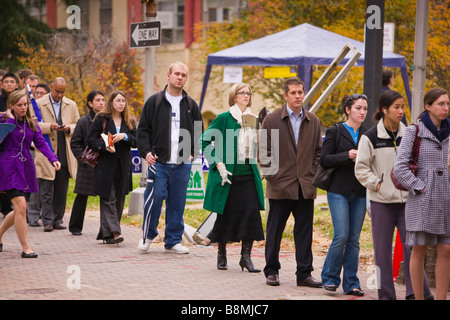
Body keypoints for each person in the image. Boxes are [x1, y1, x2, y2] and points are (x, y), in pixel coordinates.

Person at [355, 90, 433, 300]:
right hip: (381, 202)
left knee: (413, 248)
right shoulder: (370, 137)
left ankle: (418, 293)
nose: (401, 111)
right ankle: (386, 296)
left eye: (402, 107)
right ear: (384, 110)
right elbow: (361, 168)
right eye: (396, 107)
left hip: (408, 201)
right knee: (382, 253)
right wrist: (378, 185)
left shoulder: (410, 133)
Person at [258, 77, 323, 287]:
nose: (297, 96)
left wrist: (311, 174)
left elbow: (318, 152)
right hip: (279, 187)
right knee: (275, 231)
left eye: (300, 92)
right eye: (293, 93)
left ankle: (304, 273)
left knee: (304, 232)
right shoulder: (272, 120)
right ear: (285, 95)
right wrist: (274, 177)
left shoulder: (313, 121)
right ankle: (272, 271)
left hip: (305, 186)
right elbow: (264, 153)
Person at [137, 62, 203, 254]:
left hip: (182, 162)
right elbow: (143, 130)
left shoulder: (190, 104)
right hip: (159, 161)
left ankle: (173, 240)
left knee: (177, 202)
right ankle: (148, 235)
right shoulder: (154, 101)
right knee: (155, 198)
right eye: (176, 73)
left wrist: (193, 153)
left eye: (183, 75)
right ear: (168, 75)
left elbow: (199, 131)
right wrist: (146, 152)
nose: (180, 77)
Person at [200, 83, 265, 272]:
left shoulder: (252, 119)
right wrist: (217, 163)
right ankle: (222, 254)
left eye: (248, 93)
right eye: (242, 93)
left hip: (248, 175)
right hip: (227, 176)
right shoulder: (223, 118)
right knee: (225, 215)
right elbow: (204, 142)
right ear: (234, 96)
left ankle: (246, 258)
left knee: (251, 215)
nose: (246, 95)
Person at [393, 87, 450, 300]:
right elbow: (400, 167)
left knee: (446, 249)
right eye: (441, 104)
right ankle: (418, 297)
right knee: (419, 249)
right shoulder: (414, 131)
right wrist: (420, 186)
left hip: (446, 197)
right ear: (428, 106)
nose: (445, 108)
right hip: (422, 198)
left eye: (447, 104)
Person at [0, 90, 61, 258]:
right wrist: (10, 121)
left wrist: (53, 159)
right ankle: (26, 248)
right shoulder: (3, 120)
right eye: (19, 105)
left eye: (25, 104)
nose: (23, 108)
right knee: (20, 207)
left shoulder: (31, 123)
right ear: (11, 106)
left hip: (26, 167)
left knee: (22, 207)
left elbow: (41, 142)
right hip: (8, 166)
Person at [320, 94, 368, 296]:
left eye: (365, 108)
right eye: (358, 108)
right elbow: (324, 159)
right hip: (338, 190)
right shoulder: (335, 130)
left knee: (354, 240)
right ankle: (330, 279)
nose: (362, 112)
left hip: (360, 192)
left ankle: (351, 283)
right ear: (348, 110)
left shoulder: (368, 134)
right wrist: (346, 155)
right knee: (341, 235)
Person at [28, 77, 80, 232]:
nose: (60, 95)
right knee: (45, 189)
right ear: (51, 87)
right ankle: (47, 220)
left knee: (61, 189)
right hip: (46, 151)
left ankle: (58, 219)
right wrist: (49, 126)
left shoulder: (71, 104)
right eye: (57, 91)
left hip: (64, 151)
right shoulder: (38, 103)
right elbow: (33, 124)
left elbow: (78, 125)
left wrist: (68, 128)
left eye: (63, 92)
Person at [87, 90, 136, 244]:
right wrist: (104, 146)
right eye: (118, 100)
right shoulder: (102, 118)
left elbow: (137, 141)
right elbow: (91, 140)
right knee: (109, 197)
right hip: (106, 165)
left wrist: (125, 136)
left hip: (123, 166)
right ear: (111, 102)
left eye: (123, 101)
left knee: (120, 198)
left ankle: (106, 234)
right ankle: (115, 232)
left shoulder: (129, 120)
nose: (121, 103)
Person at [69, 90, 105, 236]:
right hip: (87, 165)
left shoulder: (107, 120)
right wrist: (83, 159)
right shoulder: (84, 121)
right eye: (98, 100)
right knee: (82, 196)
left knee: (106, 197)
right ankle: (75, 227)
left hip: (104, 164)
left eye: (103, 100)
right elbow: (75, 143)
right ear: (90, 103)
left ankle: (106, 229)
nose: (101, 103)